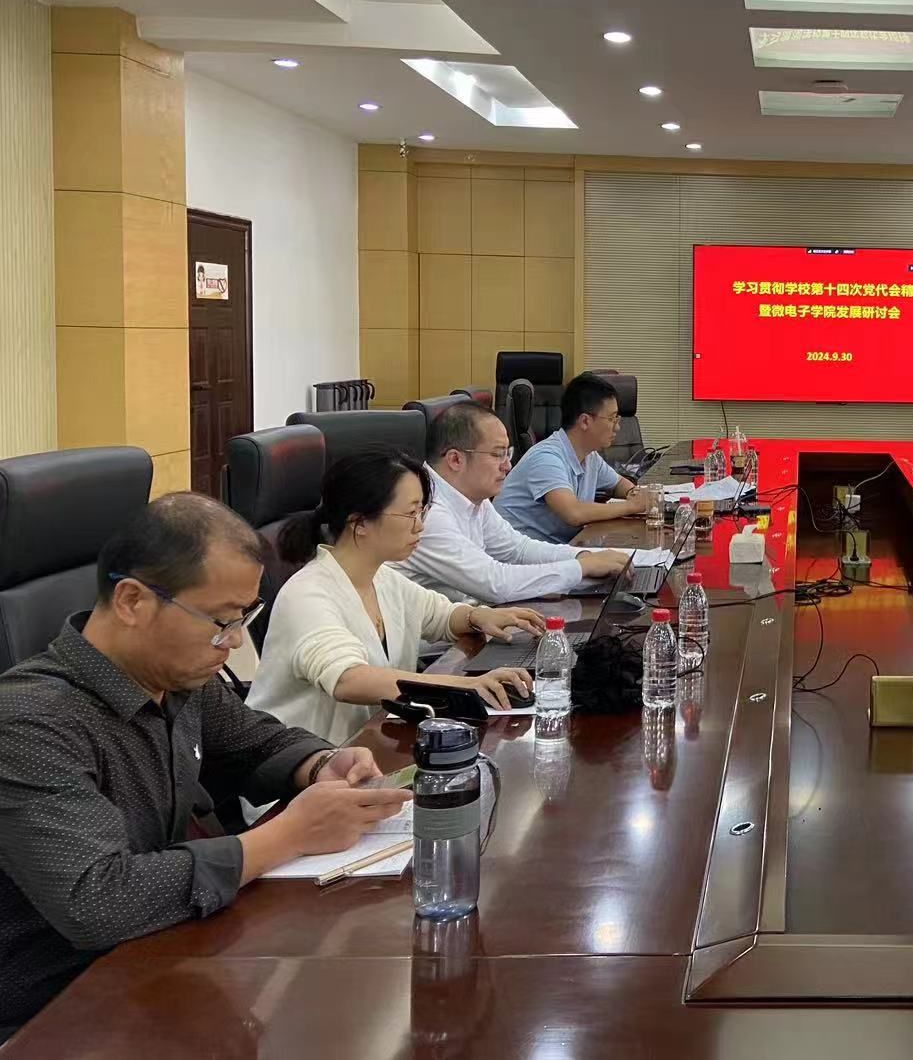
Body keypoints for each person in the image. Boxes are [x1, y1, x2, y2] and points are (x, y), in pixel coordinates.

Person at [0, 493, 412, 1039]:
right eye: (221, 621)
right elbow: (98, 900)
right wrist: (289, 834)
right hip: (54, 1011)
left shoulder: (175, 676)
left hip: (162, 955)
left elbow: (254, 741)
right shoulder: (28, 722)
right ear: (132, 601)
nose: (234, 641)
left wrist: (321, 764)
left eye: (243, 618)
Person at [248, 450, 544, 743]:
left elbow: (439, 616)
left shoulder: (382, 578)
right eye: (410, 513)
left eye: (422, 512)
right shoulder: (307, 594)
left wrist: (479, 616)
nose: (420, 525)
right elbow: (348, 679)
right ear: (360, 522)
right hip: (302, 760)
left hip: (367, 744)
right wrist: (463, 686)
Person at [400, 401, 632, 603]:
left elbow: (518, 550)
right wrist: (581, 567)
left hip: (471, 620)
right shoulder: (425, 512)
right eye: (497, 454)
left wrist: (582, 557)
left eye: (507, 453)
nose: (507, 465)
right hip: (435, 640)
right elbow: (495, 583)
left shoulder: (472, 498)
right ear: (455, 459)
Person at [495, 371, 658, 543]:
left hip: (553, 548)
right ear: (585, 421)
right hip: (516, 553)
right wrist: (632, 506)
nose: (617, 427)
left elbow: (618, 484)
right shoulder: (547, 458)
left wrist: (633, 493)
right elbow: (573, 513)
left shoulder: (590, 456)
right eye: (612, 419)